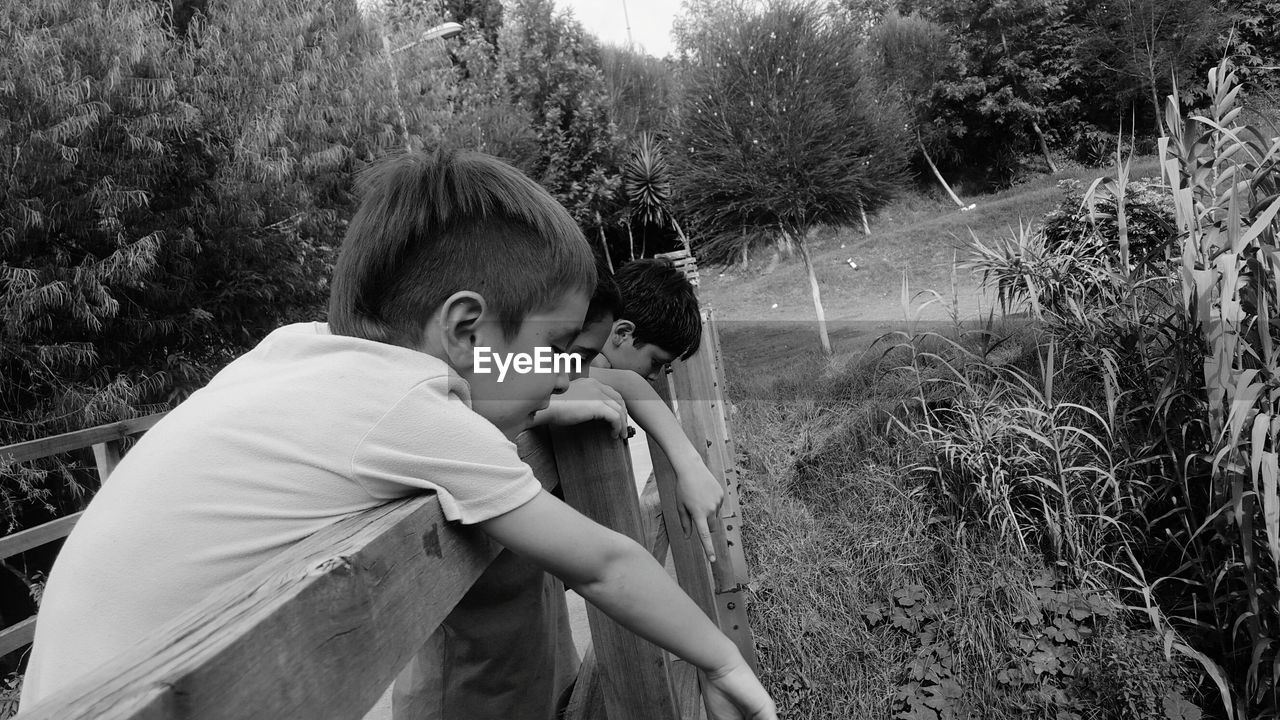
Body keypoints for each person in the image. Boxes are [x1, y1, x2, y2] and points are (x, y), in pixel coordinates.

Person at [18, 149, 776, 720]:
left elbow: (445, 407)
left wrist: (539, 404)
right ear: (466, 327)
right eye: (554, 346)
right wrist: (720, 661)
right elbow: (608, 564)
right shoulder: (409, 413)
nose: (559, 373)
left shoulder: (296, 353)